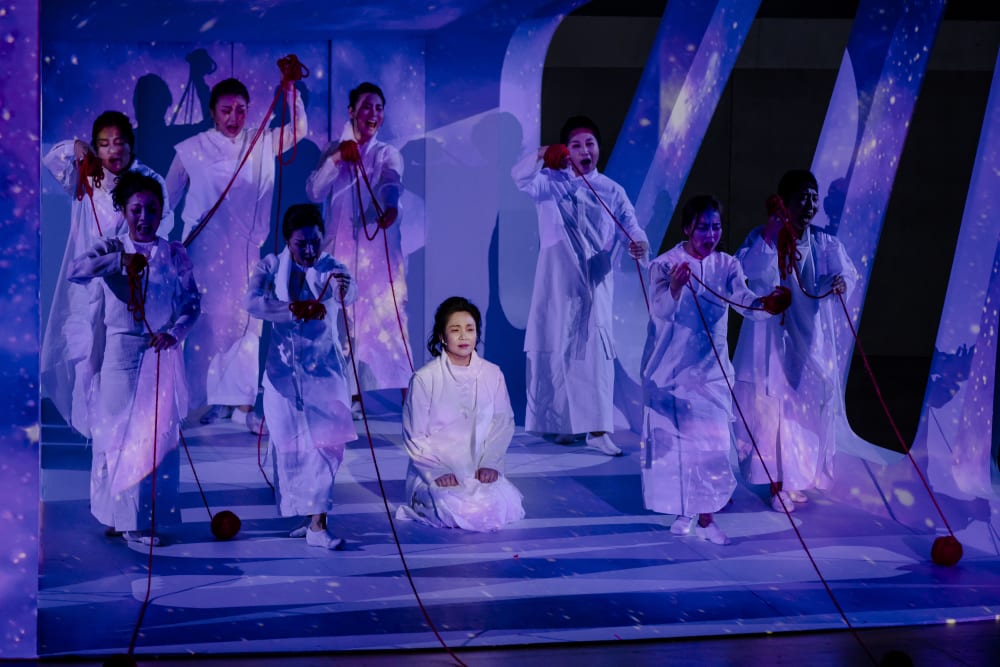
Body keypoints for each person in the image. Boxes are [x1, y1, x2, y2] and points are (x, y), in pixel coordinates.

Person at [640, 196, 788, 545]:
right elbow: (658, 312)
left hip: (712, 375)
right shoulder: (665, 265)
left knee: (713, 447)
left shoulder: (727, 265)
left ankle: (707, 517)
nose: (710, 235)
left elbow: (743, 300)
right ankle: (686, 511)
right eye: (703, 227)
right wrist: (675, 287)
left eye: (716, 227)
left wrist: (765, 304)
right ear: (686, 228)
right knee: (678, 450)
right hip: (672, 375)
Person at [166, 73, 308, 428]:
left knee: (246, 326)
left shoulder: (259, 141)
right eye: (226, 110)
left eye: (241, 110)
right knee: (206, 327)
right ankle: (208, 402)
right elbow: (167, 200)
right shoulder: (192, 148)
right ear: (213, 112)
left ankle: (243, 405)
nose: (234, 117)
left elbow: (299, 130)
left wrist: (291, 90)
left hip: (244, 252)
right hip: (203, 252)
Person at [68, 171, 199, 545]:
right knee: (117, 435)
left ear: (162, 213)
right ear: (123, 211)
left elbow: (191, 304)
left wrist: (175, 333)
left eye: (152, 210)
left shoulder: (174, 253)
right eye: (136, 209)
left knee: (153, 438)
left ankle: (139, 518)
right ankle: (119, 516)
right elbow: (77, 272)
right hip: (120, 352)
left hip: (159, 351)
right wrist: (118, 262)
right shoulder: (111, 246)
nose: (144, 217)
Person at [511, 115, 648, 456]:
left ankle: (598, 430)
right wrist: (543, 153)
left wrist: (638, 243)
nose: (584, 150)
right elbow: (519, 176)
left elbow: (631, 226)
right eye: (575, 145)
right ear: (565, 149)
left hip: (593, 282)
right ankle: (560, 426)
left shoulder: (611, 190)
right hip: (555, 281)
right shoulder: (549, 182)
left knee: (595, 355)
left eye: (590, 143)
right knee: (554, 350)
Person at [732, 170, 859, 512]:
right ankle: (776, 485)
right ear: (784, 201)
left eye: (814, 197)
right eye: (802, 197)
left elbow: (847, 272)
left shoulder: (824, 242)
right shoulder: (762, 236)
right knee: (771, 412)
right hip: (771, 340)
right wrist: (771, 234)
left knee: (802, 411)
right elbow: (747, 272)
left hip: (809, 339)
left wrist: (842, 282)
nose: (810, 204)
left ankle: (793, 478)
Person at [42, 111, 171, 436]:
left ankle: (128, 439)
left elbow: (161, 228)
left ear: (131, 144)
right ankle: (96, 439)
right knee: (86, 359)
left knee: (123, 368)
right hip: (87, 287)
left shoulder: (148, 181)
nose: (113, 150)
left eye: (119, 142)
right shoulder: (87, 175)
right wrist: (75, 146)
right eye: (104, 144)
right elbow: (52, 160)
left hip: (128, 292)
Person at [244, 203, 356, 550]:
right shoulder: (270, 265)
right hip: (282, 376)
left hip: (324, 372)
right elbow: (252, 302)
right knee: (290, 446)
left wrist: (343, 288)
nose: (309, 250)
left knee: (326, 447)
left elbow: (348, 293)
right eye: (300, 243)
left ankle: (319, 524)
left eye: (314, 242)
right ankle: (308, 518)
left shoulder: (332, 266)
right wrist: (291, 309)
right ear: (287, 241)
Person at [305, 82, 409, 410]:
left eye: (378, 108)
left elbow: (391, 181)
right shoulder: (333, 151)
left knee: (384, 322)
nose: (373, 113)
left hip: (376, 254)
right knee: (340, 324)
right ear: (351, 111)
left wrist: (390, 207)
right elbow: (314, 192)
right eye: (366, 106)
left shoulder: (386, 153)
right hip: (338, 253)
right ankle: (347, 395)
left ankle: (407, 396)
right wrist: (337, 158)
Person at [398, 297, 524, 531]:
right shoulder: (424, 379)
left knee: (498, 506)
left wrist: (490, 464)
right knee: (454, 508)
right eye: (455, 330)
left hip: (479, 472)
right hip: (435, 474)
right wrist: (437, 471)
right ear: (442, 337)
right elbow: (415, 435)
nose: (464, 336)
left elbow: (502, 424)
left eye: (470, 329)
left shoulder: (493, 374)